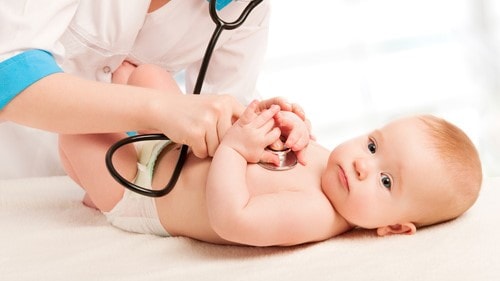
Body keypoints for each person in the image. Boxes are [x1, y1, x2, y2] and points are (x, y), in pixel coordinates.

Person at [59, 64, 483, 247]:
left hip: (148, 193)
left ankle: (97, 195)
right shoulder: (329, 165)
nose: (362, 163)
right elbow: (269, 148)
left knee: (73, 138)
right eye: (372, 146)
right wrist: (279, 120)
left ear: (393, 227)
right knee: (148, 76)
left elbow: (231, 218)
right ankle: (132, 113)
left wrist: (234, 148)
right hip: (179, 150)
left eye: (385, 181)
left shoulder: (317, 214)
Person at [0, 0, 300, 178]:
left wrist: (273, 131)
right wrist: (159, 110)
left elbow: (229, 127)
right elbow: (9, 68)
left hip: (96, 194)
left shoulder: (247, 9)